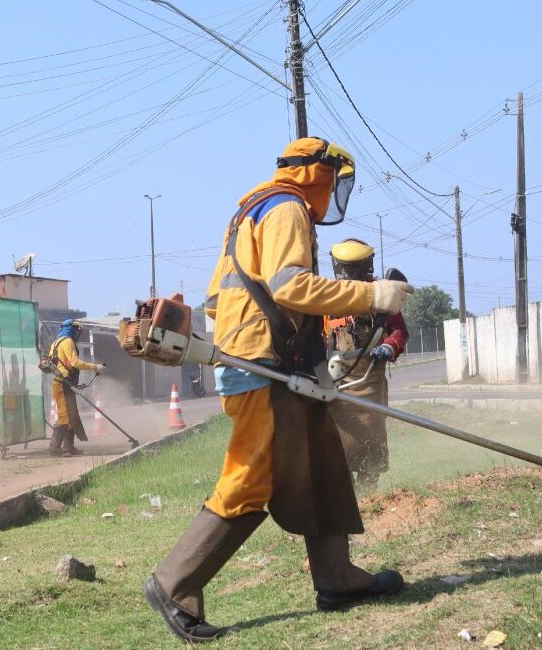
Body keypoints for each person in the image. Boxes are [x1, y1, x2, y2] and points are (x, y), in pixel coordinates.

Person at [143, 138, 414, 643]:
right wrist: (373, 295)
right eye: (337, 180)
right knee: (252, 477)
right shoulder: (287, 209)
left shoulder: (252, 212)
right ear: (320, 174)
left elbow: (216, 302)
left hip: (280, 362)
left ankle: (336, 577)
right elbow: (292, 287)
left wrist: (315, 370)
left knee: (322, 463)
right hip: (263, 366)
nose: (337, 191)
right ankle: (174, 582)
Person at [324, 239, 409, 493]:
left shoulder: (381, 293)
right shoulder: (327, 295)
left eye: (353, 269)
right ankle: (346, 496)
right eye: (343, 269)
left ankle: (369, 493)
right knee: (337, 443)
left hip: (370, 380)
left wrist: (389, 346)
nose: (347, 276)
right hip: (336, 382)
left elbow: (399, 331)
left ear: (366, 267)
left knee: (370, 438)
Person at [47, 320, 104, 457]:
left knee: (72, 416)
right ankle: (54, 448)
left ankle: (69, 447)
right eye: (78, 331)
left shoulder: (55, 343)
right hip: (62, 384)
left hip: (64, 383)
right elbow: (75, 362)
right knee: (64, 416)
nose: (78, 334)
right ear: (72, 330)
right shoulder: (68, 342)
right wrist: (96, 367)